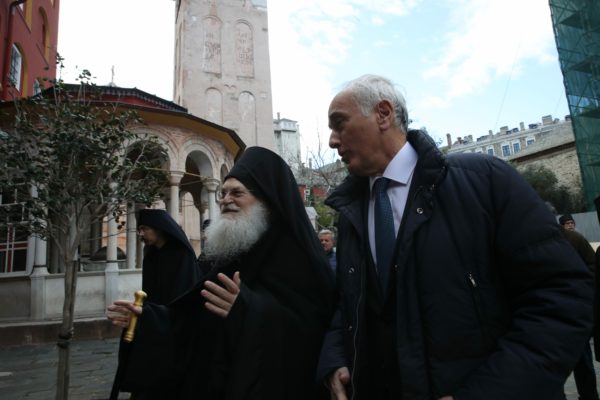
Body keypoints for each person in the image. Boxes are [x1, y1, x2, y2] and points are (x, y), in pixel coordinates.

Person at [317, 74, 593, 400]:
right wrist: (335, 358)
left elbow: (561, 298)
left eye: (339, 124)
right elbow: (348, 305)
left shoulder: (485, 181)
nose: (332, 140)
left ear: (383, 114)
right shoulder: (351, 213)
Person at [107, 146, 335, 400]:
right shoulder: (227, 253)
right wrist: (149, 319)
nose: (225, 200)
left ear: (268, 201)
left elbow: (312, 334)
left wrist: (249, 308)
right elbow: (192, 320)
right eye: (223, 193)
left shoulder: (299, 257)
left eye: (237, 192)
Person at [558, 221, 598, 400]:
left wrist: (580, 288)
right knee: (552, 367)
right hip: (547, 315)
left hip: (574, 311)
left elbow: (593, 265)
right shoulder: (529, 241)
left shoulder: (574, 239)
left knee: (583, 361)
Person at [136, 208, 201, 305]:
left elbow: (184, 290)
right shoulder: (150, 255)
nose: (141, 234)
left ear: (159, 229)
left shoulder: (181, 254)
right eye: (139, 230)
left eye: (145, 229)